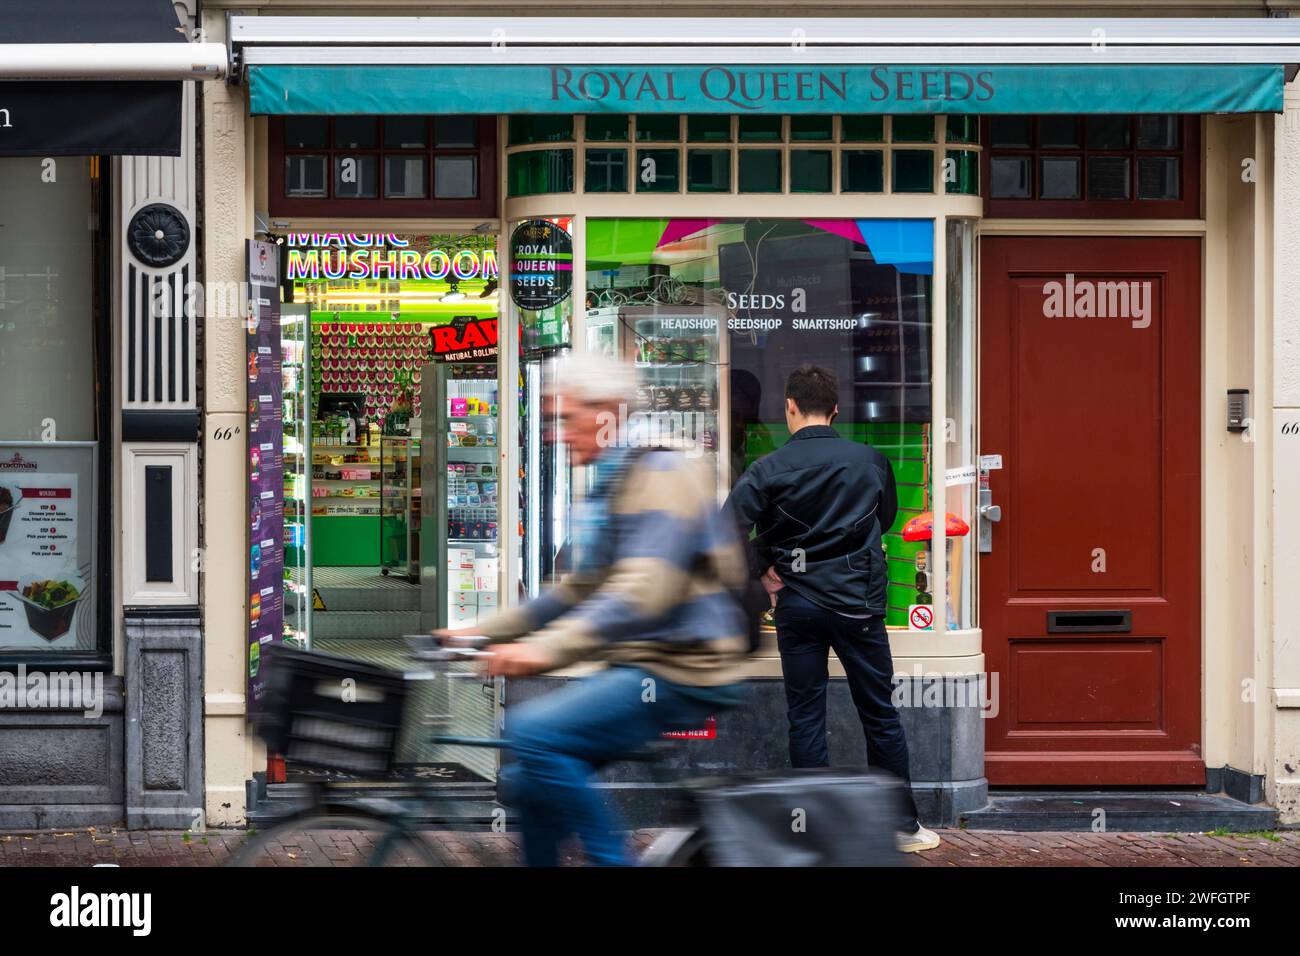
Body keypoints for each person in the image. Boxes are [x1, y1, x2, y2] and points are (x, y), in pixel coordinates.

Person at [437, 351, 749, 866]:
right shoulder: (615, 474)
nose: (555, 434)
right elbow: (577, 591)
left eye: (565, 418)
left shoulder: (661, 467)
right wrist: (477, 633)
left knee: (532, 733)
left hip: (681, 667)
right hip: (645, 660)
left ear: (605, 410)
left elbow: (642, 590)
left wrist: (541, 652)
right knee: (531, 778)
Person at [725, 363, 940, 853]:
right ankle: (902, 828)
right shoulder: (870, 461)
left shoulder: (768, 468)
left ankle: (810, 830)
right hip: (857, 606)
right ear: (836, 409)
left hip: (797, 605)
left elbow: (725, 531)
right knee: (879, 713)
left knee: (804, 715)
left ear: (790, 407)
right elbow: (883, 520)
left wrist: (762, 573)